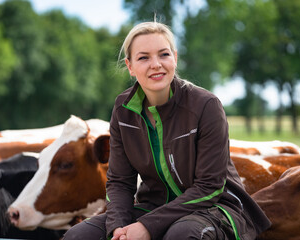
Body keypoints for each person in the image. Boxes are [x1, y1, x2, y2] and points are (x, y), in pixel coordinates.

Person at [63, 21, 271, 240]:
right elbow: (120, 182)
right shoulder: (123, 109)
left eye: (164, 54)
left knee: (181, 235)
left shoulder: (206, 105)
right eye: (144, 57)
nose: (156, 64)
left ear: (175, 58)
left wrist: (146, 226)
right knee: (78, 236)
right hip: (153, 205)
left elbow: (209, 187)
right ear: (130, 66)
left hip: (214, 208)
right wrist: (117, 228)